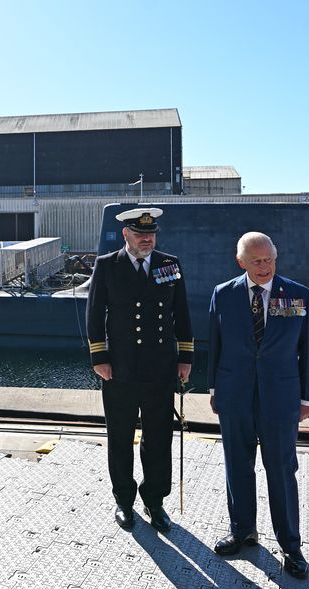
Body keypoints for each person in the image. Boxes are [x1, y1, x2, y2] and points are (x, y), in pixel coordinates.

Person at [207, 232, 309, 579]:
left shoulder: (298, 295)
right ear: (240, 261)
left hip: (281, 398)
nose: (264, 266)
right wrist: (214, 389)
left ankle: (290, 544)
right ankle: (242, 530)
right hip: (234, 394)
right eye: (256, 261)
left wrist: (306, 398)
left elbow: (308, 348)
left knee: (282, 470)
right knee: (237, 464)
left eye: (269, 259)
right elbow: (216, 344)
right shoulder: (224, 295)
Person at [87, 207, 193, 533]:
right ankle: (124, 500)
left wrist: (185, 358)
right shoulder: (108, 266)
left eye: (151, 233)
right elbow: (94, 315)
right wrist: (99, 359)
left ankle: (154, 500)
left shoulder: (168, 264)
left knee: (159, 436)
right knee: (120, 436)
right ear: (126, 235)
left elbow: (182, 312)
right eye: (140, 233)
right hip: (118, 368)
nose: (146, 238)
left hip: (160, 367)